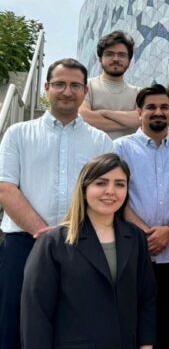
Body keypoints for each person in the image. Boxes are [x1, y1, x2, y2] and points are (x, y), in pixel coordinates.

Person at [0, 58, 113, 349]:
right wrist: (43, 232)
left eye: (75, 85)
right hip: (23, 244)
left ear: (85, 91)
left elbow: (105, 194)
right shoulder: (18, 134)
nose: (67, 91)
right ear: (47, 87)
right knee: (13, 325)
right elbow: (5, 187)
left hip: (81, 246)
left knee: (72, 326)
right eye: (60, 84)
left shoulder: (101, 141)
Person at [21, 153, 156, 349]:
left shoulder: (135, 238)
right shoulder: (53, 243)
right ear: (84, 190)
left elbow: (146, 297)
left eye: (119, 184)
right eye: (101, 183)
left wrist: (146, 344)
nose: (111, 191)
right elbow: (36, 312)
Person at [114, 84, 169, 349]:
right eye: (150, 107)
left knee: (164, 320)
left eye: (164, 107)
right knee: (128, 319)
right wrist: (145, 232)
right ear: (138, 112)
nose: (158, 112)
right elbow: (115, 197)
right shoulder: (119, 149)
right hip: (131, 248)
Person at [79, 30, 141, 139]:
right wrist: (129, 122)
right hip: (94, 154)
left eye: (122, 55)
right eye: (110, 54)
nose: (116, 59)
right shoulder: (85, 85)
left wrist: (103, 113)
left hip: (126, 155)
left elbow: (142, 119)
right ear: (100, 59)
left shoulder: (139, 93)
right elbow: (85, 118)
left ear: (129, 61)